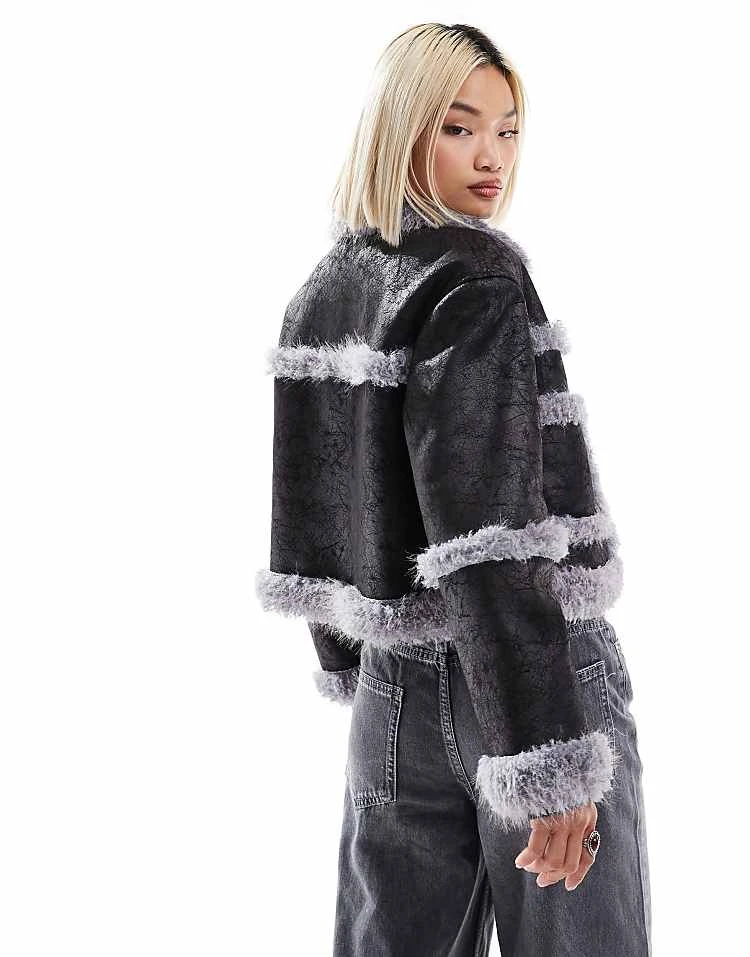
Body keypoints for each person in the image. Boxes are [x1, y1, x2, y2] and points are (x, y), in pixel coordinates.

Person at [255, 21, 652, 957]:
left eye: (507, 130)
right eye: (459, 126)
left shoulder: (326, 287)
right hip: (527, 675)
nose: (491, 157)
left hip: (391, 693)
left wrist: (356, 656)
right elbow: (491, 532)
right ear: (402, 125)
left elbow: (313, 503)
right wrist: (548, 755)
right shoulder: (477, 279)